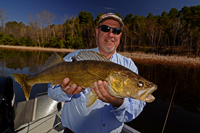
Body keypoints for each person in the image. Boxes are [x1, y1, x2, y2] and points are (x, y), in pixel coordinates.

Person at [48, 13, 146, 133]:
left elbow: (135, 110)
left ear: (120, 35)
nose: (110, 34)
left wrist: (118, 102)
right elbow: (51, 91)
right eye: (105, 29)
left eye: (116, 30)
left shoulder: (129, 65)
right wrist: (64, 92)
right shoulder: (75, 57)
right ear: (97, 31)